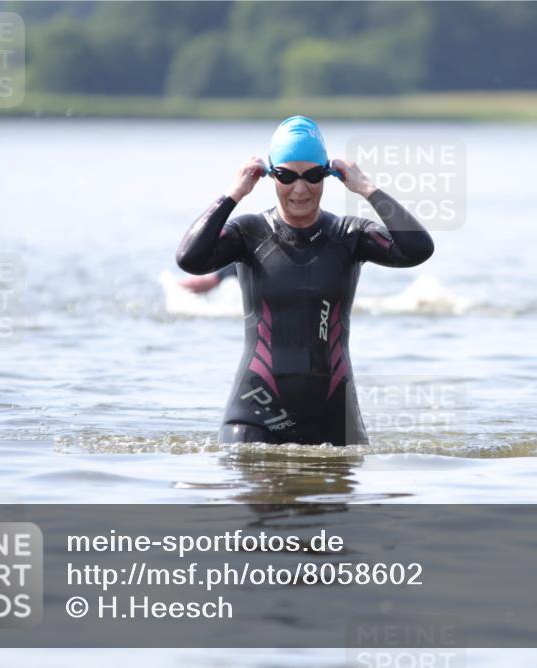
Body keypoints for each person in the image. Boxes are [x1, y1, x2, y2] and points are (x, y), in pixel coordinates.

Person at [176, 116, 434, 446]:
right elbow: (189, 258)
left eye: (312, 175)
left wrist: (366, 188)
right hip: (255, 416)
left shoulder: (349, 235)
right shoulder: (248, 232)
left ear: (326, 175)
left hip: (334, 417)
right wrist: (234, 193)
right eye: (286, 176)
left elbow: (418, 248)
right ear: (271, 175)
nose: (300, 189)